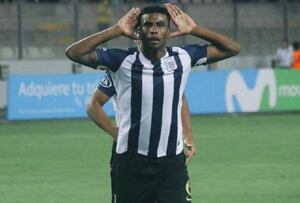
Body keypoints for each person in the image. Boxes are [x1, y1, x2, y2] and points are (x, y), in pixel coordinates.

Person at [65, 3, 240, 203]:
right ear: (138, 30)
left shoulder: (183, 58)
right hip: (131, 163)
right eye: (147, 25)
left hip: (171, 164)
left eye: (160, 25)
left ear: (169, 31)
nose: (153, 30)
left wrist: (195, 29)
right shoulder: (121, 62)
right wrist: (116, 30)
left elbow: (233, 49)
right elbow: (74, 53)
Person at [87, 71, 197, 201]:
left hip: (170, 156)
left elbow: (181, 97)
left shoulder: (171, 67)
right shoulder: (121, 67)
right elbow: (93, 105)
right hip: (129, 157)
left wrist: (188, 136)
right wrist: (116, 133)